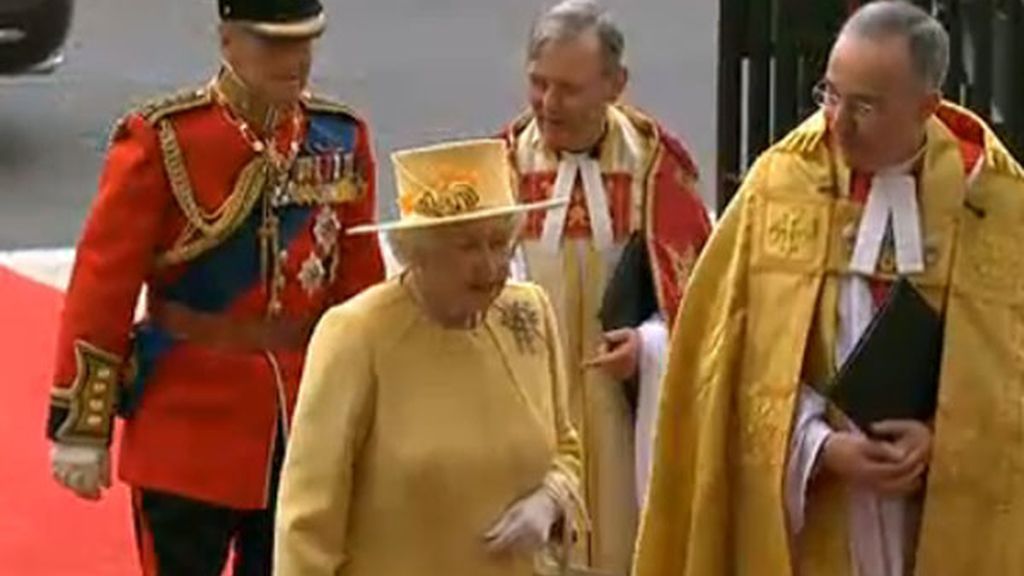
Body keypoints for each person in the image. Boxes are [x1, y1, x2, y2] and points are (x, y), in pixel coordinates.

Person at [635, 2, 1024, 575]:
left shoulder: (996, 204)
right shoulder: (779, 185)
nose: (837, 122)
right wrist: (818, 446)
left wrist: (945, 438)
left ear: (926, 107)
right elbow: (723, 368)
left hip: (940, 522)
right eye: (831, 95)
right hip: (814, 518)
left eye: (865, 105)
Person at [45, 1, 383, 573]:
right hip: (186, 423)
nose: (294, 60)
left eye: (304, 43)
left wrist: (377, 409)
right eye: (274, 44)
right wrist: (82, 423)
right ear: (228, 42)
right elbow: (105, 281)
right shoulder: (167, 138)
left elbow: (359, 289)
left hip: (302, 422)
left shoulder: (338, 139)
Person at [274, 139, 583, 576]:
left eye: (500, 243)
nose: (492, 265)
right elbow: (306, 524)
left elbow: (566, 447)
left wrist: (550, 500)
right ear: (417, 252)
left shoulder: (527, 313)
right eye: (468, 247)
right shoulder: (357, 335)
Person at [499, 0, 711, 570]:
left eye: (568, 88)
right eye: (537, 84)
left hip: (621, 408)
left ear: (615, 84)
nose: (548, 104)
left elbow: (700, 301)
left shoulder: (655, 165)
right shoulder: (501, 163)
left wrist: (647, 346)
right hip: (529, 400)